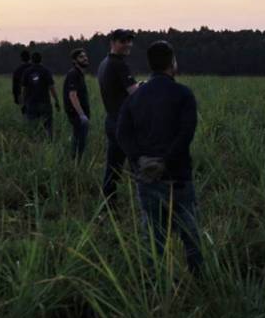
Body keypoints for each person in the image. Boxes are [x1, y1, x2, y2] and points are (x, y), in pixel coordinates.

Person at [117, 41, 202, 275]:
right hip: (179, 178)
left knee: (153, 237)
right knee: (191, 234)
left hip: (146, 179)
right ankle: (201, 280)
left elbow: (122, 133)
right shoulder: (183, 94)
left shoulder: (135, 97)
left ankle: (154, 284)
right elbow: (186, 134)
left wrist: (139, 160)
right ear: (172, 62)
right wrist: (165, 160)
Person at [97, 29, 139, 205]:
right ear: (113, 42)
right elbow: (133, 92)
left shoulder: (104, 63)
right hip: (124, 123)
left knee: (113, 167)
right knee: (139, 165)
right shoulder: (119, 64)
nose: (128, 44)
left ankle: (108, 204)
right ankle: (150, 204)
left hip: (112, 120)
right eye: (123, 41)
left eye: (130, 41)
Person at [22, 52, 59, 139]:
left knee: (33, 127)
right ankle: (49, 144)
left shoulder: (27, 72)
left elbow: (24, 90)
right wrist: (56, 101)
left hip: (31, 103)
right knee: (48, 126)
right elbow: (52, 88)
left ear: (31, 60)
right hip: (45, 103)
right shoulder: (46, 71)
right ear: (41, 60)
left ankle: (35, 144)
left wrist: (24, 103)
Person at [63, 48, 91, 160]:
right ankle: (75, 162)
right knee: (79, 140)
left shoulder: (79, 74)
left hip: (79, 114)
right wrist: (82, 115)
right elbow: (72, 95)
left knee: (78, 138)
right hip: (76, 114)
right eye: (81, 57)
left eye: (85, 56)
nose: (85, 58)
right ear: (74, 61)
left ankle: (75, 162)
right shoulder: (74, 74)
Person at [11, 50, 31, 115]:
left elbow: (15, 87)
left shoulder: (17, 70)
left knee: (26, 116)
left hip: (22, 97)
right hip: (36, 96)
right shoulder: (35, 68)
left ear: (21, 58)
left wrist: (16, 99)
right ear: (30, 58)